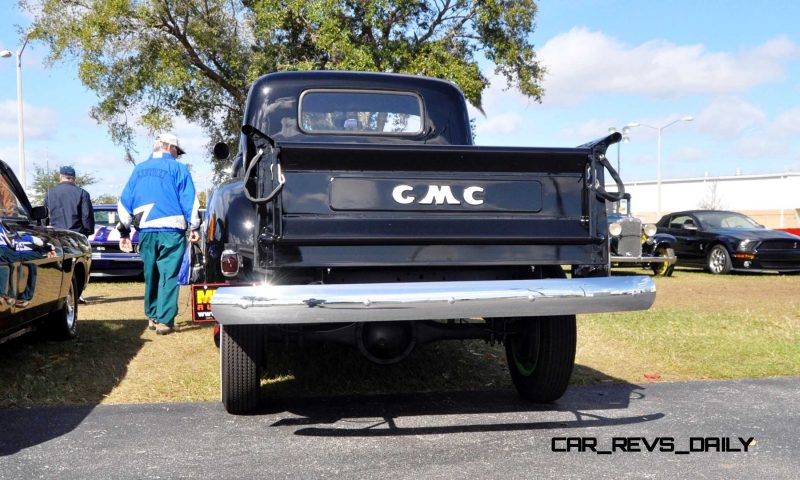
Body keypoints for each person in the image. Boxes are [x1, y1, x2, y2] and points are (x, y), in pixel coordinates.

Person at [117, 133, 200, 335]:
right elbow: (190, 200)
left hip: (145, 231)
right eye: (177, 152)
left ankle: (152, 315)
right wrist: (195, 227)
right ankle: (165, 320)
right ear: (170, 147)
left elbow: (124, 202)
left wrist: (124, 232)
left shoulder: (138, 170)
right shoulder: (179, 169)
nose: (178, 156)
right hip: (172, 230)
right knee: (169, 275)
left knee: (150, 273)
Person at [44, 166, 95, 236]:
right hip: (76, 235)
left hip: (56, 235)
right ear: (74, 178)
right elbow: (86, 216)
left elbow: (45, 215)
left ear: (60, 177)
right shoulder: (82, 193)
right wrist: (87, 232)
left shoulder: (50, 193)